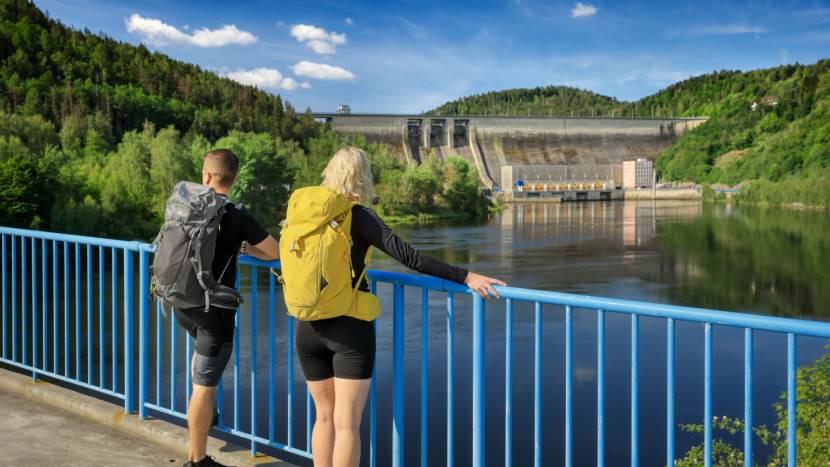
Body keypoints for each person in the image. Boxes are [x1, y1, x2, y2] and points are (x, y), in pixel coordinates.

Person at [296, 147, 505, 467]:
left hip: (307, 324)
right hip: (348, 327)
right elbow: (411, 258)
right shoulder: (358, 216)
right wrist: (466, 276)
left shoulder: (307, 214)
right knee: (347, 423)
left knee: (324, 417)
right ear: (361, 177)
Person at [174, 149, 280, 467]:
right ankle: (197, 461)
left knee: (200, 366)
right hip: (214, 314)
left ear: (206, 176)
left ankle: (206, 415)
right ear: (234, 179)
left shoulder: (186, 205)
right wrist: (245, 246)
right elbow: (275, 252)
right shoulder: (236, 214)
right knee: (203, 389)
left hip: (182, 303)